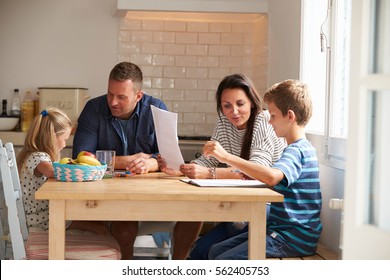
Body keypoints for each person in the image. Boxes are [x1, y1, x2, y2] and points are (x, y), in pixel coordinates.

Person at [72, 61, 202, 260]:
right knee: (124, 228)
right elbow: (81, 158)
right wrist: (127, 161)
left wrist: (152, 163)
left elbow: (171, 159)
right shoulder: (93, 109)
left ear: (138, 96)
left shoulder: (157, 108)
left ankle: (178, 267)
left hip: (153, 195)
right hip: (109, 197)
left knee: (194, 213)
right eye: (110, 94)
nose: (113, 102)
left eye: (121, 97)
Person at [157, 73, 286, 259]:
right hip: (239, 207)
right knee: (198, 253)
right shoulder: (225, 123)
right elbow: (207, 160)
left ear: (251, 101)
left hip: (264, 209)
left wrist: (208, 173)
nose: (234, 111)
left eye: (240, 104)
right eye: (227, 106)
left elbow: (256, 172)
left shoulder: (263, 121)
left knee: (213, 254)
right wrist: (182, 168)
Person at [200, 79, 322, 259]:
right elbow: (271, 181)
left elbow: (271, 177)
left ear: (290, 116)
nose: (270, 121)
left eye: (273, 116)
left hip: (291, 239)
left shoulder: (298, 151)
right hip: (280, 232)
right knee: (215, 251)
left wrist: (226, 157)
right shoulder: (298, 149)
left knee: (222, 259)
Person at [17, 107, 109, 235]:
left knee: (97, 223)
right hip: (41, 221)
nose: (65, 145)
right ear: (52, 137)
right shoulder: (38, 157)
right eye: (65, 139)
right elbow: (53, 171)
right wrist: (78, 166)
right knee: (100, 228)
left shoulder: (32, 154)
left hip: (43, 215)